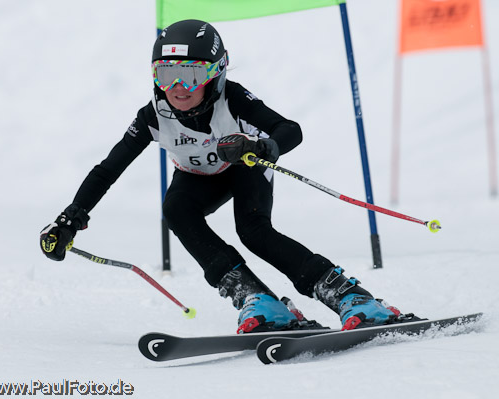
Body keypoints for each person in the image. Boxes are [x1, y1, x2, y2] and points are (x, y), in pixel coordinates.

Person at [40, 19, 411, 333]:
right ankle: (257, 299)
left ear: (215, 73)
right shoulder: (153, 115)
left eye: (191, 75)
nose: (177, 89)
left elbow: (290, 129)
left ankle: (350, 296)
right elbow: (108, 169)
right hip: (197, 176)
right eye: (166, 75)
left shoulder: (232, 98)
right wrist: (70, 218)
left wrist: (263, 148)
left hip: (243, 166)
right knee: (176, 210)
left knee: (254, 231)